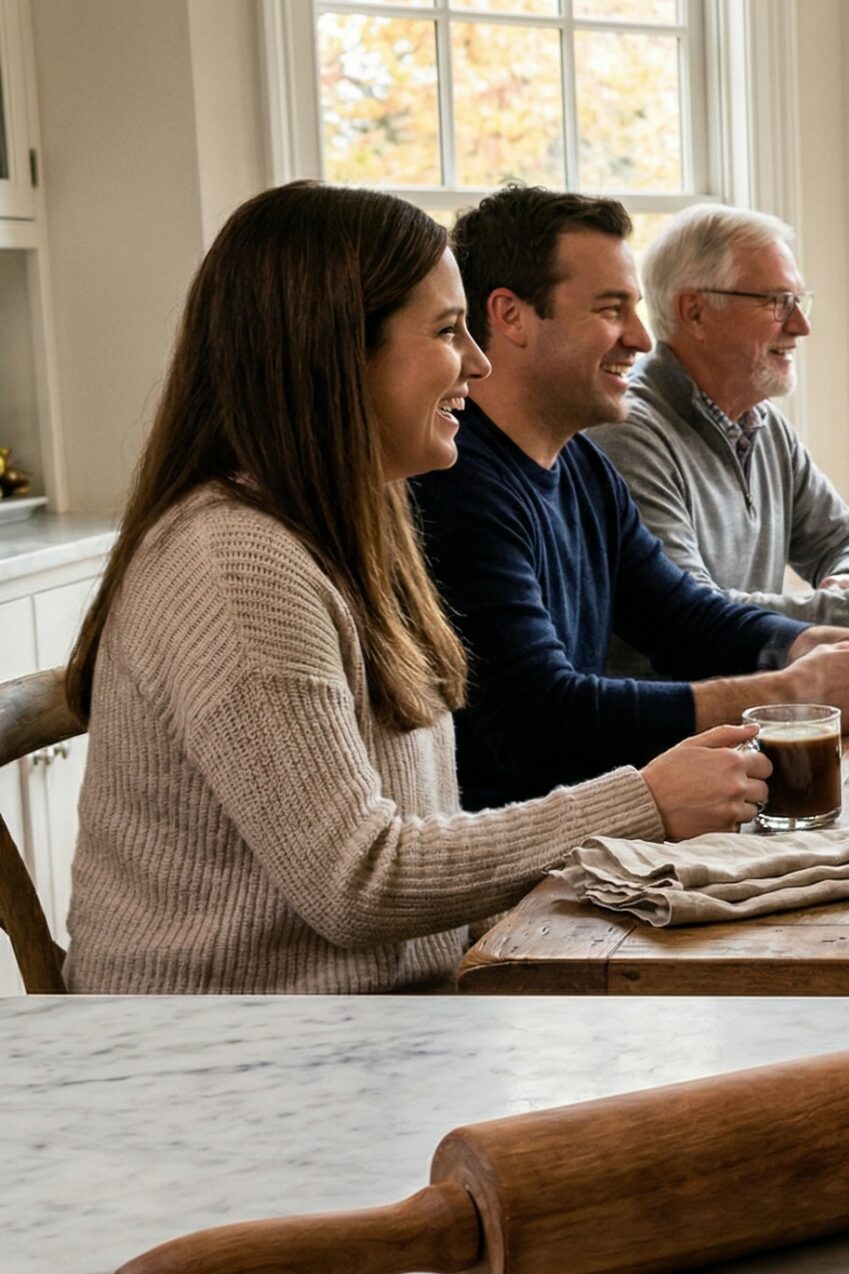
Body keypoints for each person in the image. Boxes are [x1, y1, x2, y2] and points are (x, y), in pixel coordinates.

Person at [61, 183, 768, 994]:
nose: (477, 359)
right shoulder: (237, 563)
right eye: (445, 330)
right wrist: (643, 803)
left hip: (389, 1018)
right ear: (332, 353)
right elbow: (358, 881)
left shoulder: (356, 523)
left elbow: (415, 836)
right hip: (232, 1060)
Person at [412, 185, 849, 811]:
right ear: (510, 316)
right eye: (612, 310)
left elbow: (684, 617)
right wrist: (784, 688)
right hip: (528, 874)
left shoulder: (581, 463)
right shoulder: (457, 485)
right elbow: (540, 715)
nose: (642, 340)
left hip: (594, 836)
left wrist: (809, 644)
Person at [588, 203, 849, 656]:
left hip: (764, 710)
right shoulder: (629, 433)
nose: (801, 326)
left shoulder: (764, 426)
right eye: (777, 302)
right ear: (695, 312)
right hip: (686, 723)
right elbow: (696, 615)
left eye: (799, 301)